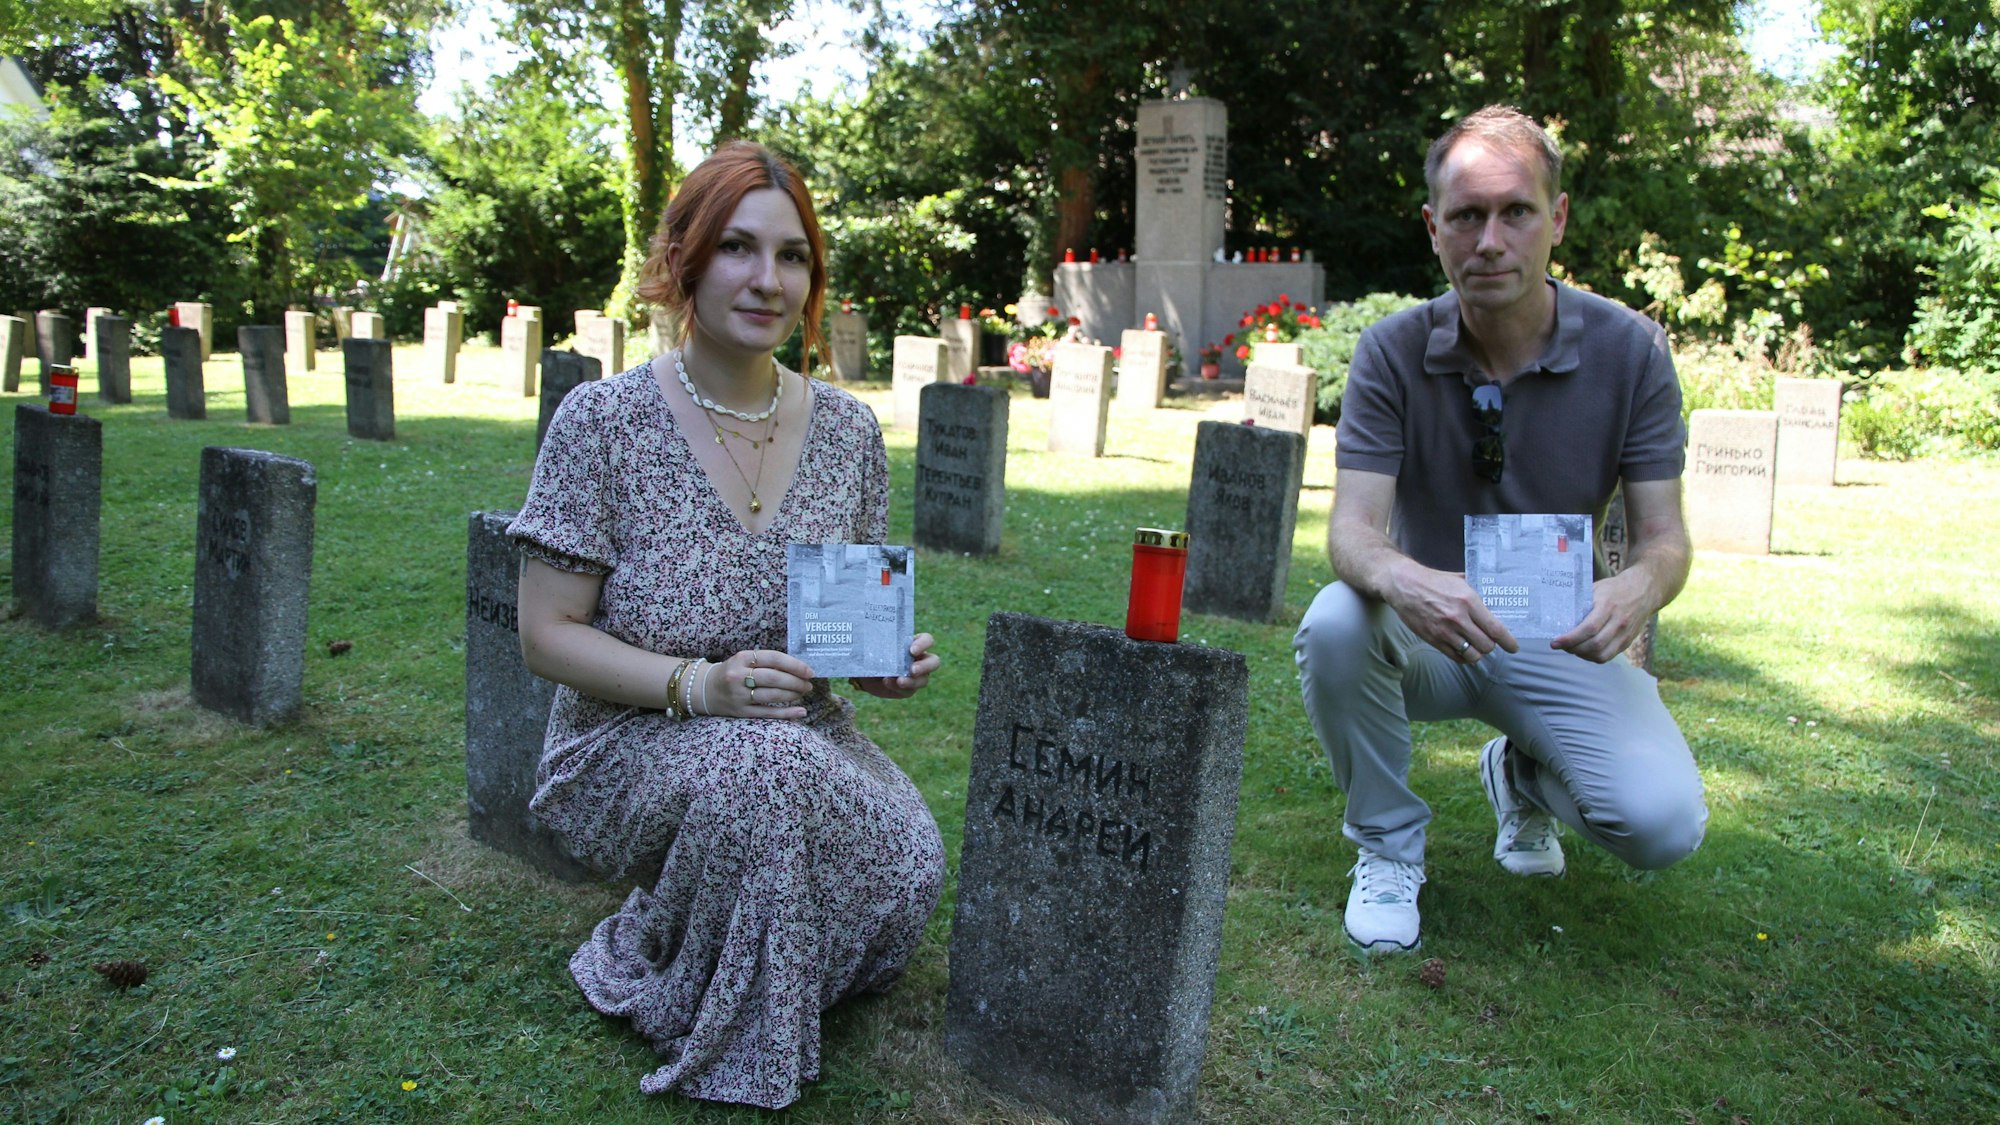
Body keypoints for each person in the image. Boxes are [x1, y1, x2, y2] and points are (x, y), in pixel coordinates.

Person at [509, 141, 944, 1106]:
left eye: (793, 257)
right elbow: (546, 634)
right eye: (739, 249)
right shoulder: (603, 423)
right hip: (632, 732)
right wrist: (699, 686)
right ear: (686, 261)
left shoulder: (849, 433)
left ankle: (701, 927)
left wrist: (881, 664)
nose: (767, 279)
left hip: (792, 728)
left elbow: (838, 626)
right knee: (761, 774)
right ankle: (734, 1027)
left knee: (911, 869)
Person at [1293, 106, 1708, 953]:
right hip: (1429, 633)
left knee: (1662, 825)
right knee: (1336, 621)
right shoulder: (1389, 351)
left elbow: (1666, 538)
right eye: (1466, 215)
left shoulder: (1632, 352)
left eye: (1515, 211)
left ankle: (1518, 769)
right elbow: (1352, 531)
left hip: (1562, 638)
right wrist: (1408, 580)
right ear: (1433, 227)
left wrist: (1637, 586)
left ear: (1555, 219)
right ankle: (1387, 846)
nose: (1490, 240)